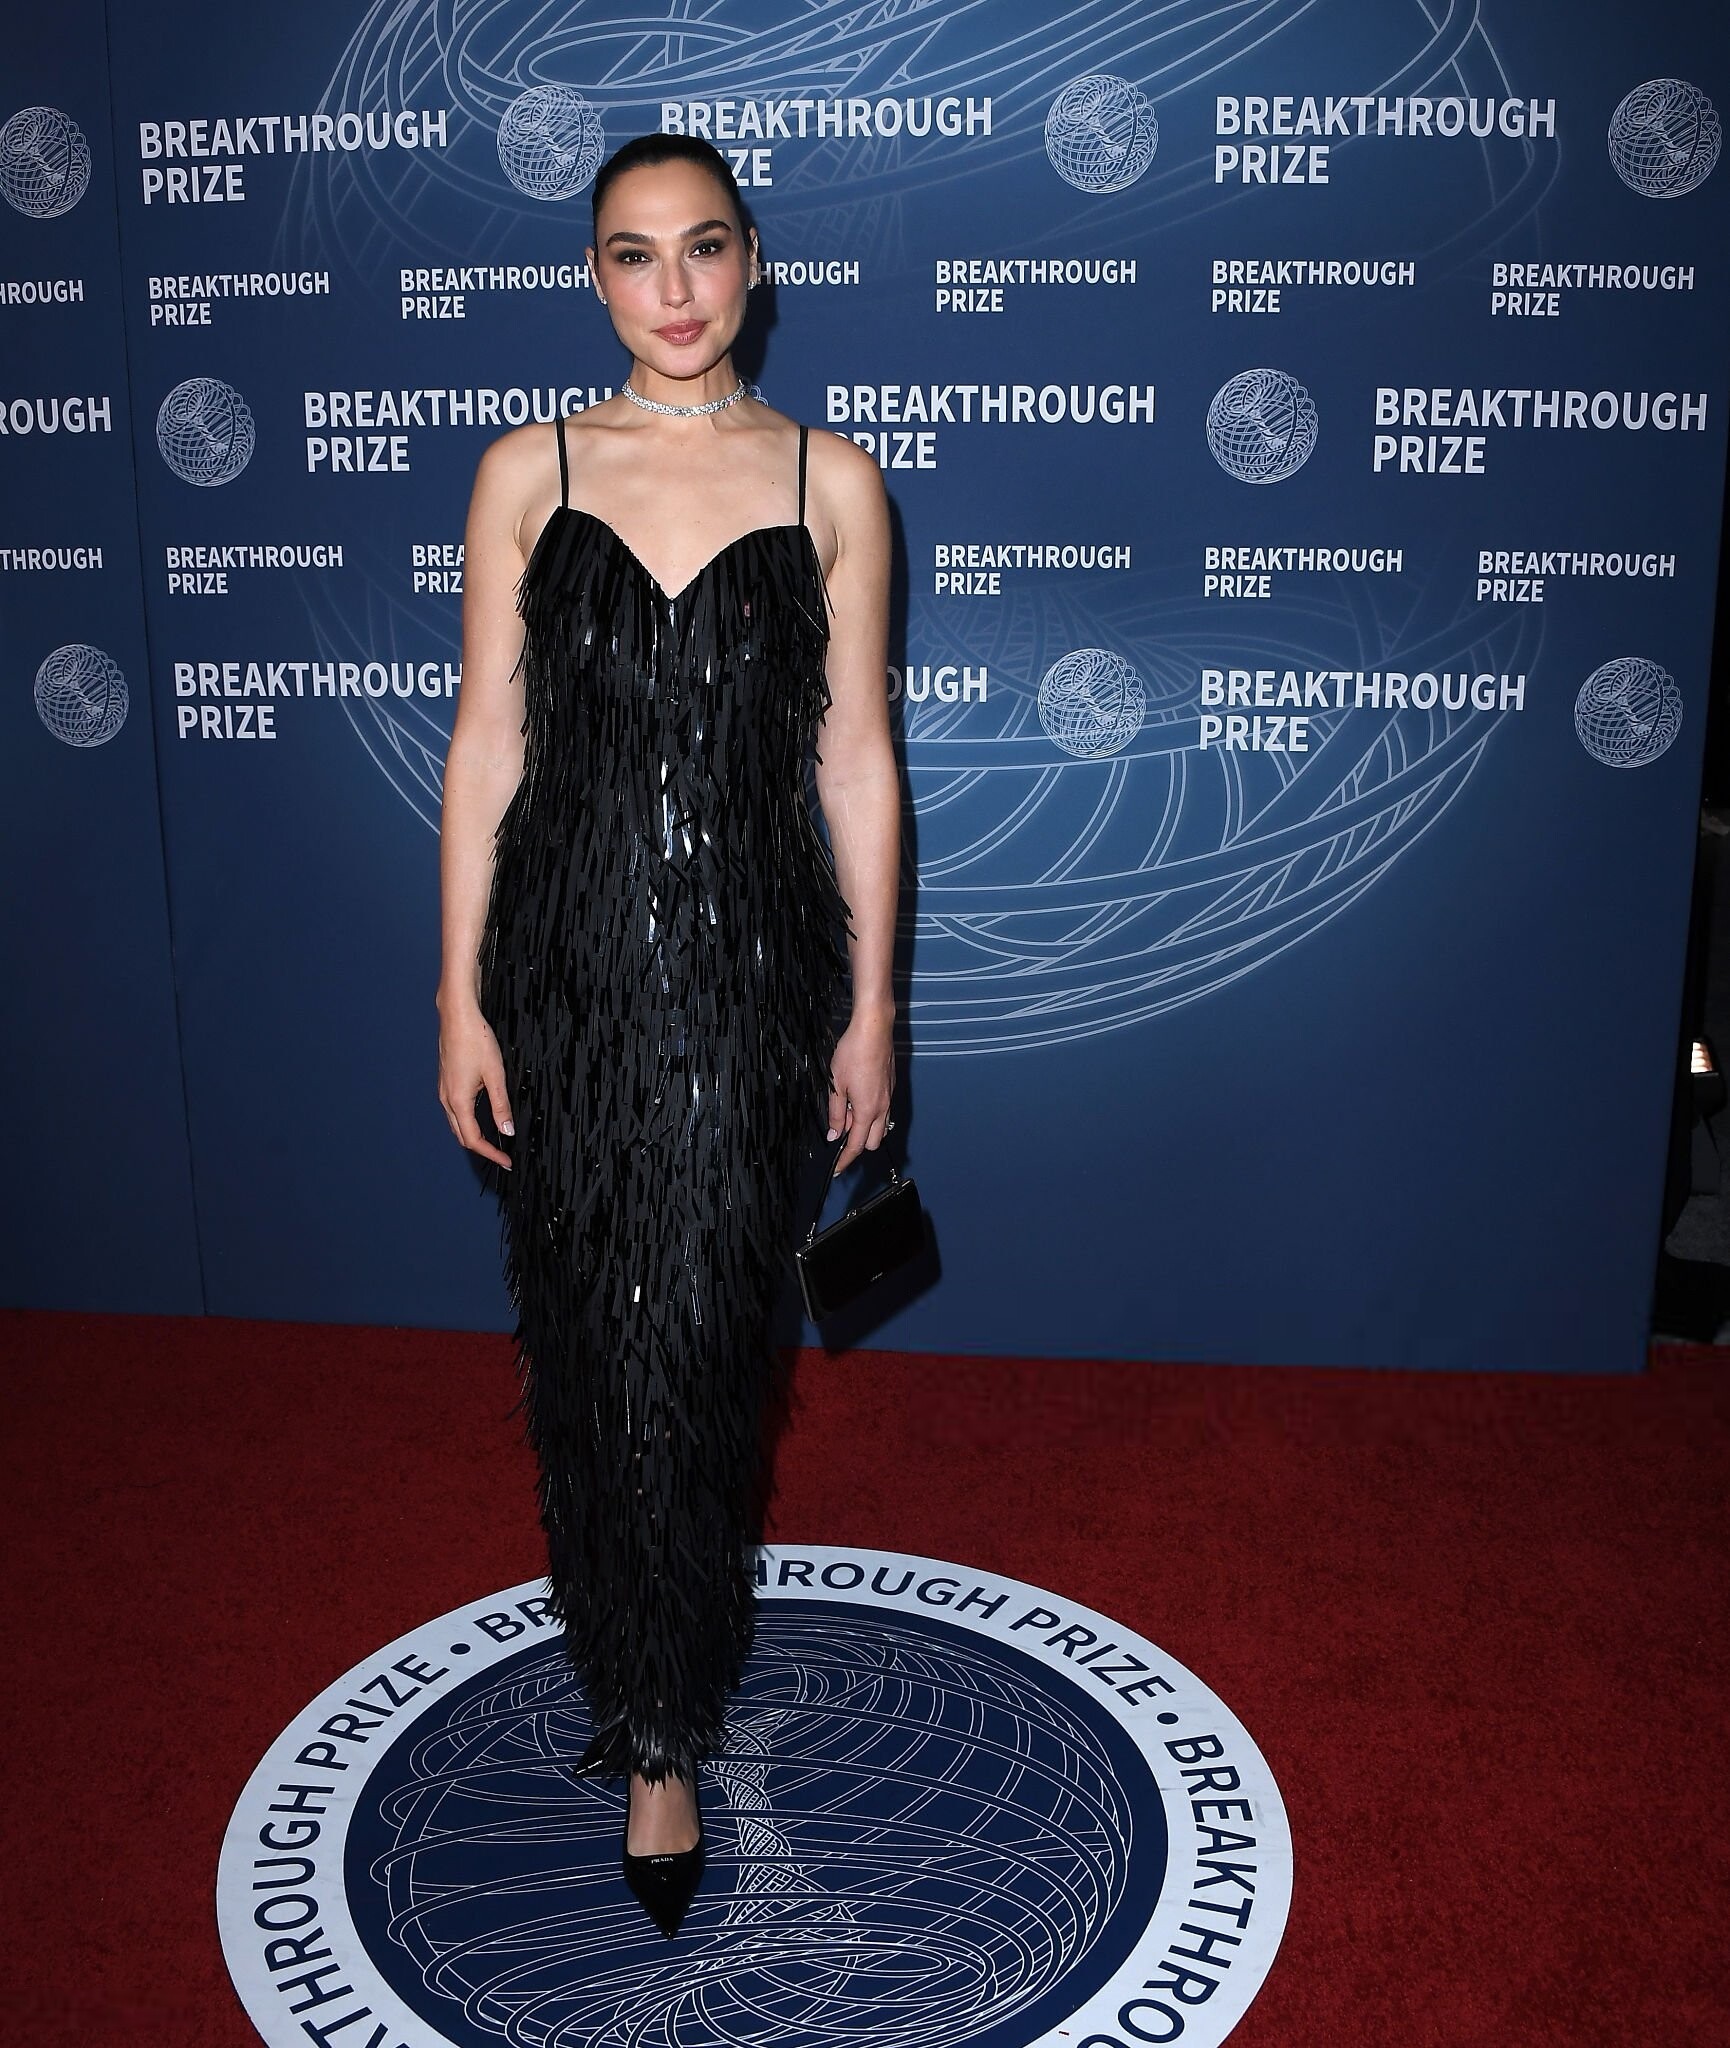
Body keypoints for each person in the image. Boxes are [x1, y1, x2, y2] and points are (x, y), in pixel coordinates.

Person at [435, 131, 899, 1938]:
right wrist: (459, 992)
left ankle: (664, 1730)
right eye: (635, 255)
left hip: (750, 983)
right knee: (584, 1337)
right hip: (564, 975)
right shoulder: (527, 471)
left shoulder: (830, 480)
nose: (675, 288)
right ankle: (625, 1664)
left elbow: (854, 761)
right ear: (594, 278)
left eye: (704, 247)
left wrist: (873, 1006)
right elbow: (488, 747)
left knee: (697, 1347)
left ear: (753, 259)